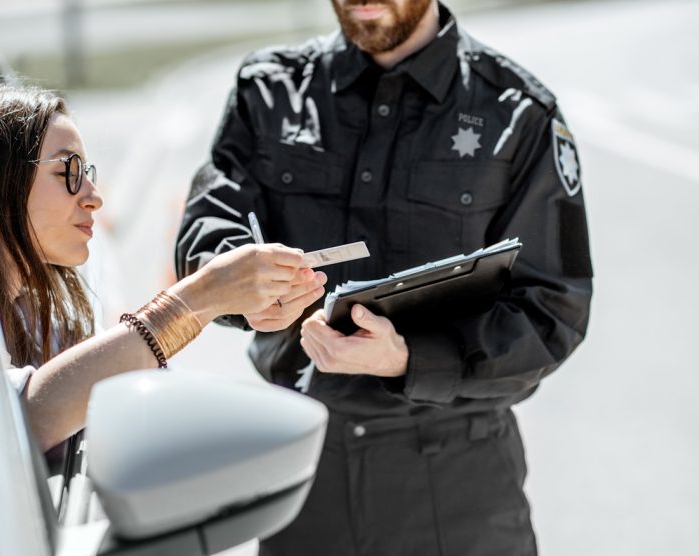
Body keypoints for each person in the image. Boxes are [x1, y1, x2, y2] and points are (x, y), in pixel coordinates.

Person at [175, 1, 593, 555]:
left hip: (456, 491)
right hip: (304, 482)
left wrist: (408, 358)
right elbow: (210, 228)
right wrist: (242, 290)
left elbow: (553, 312)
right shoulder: (269, 92)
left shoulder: (517, 113)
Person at [0, 85, 327, 452]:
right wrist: (202, 297)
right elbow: (24, 420)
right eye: (68, 174)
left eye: (88, 175)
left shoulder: (27, 309)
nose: (94, 198)